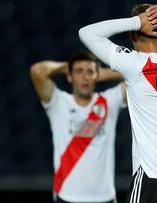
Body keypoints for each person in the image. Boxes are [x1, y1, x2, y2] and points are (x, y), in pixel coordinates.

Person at [79, 3, 157, 203]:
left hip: (152, 180)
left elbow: (87, 33)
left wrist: (137, 22)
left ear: (132, 35)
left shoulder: (134, 64)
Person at [30, 51, 126, 203]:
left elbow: (140, 75)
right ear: (70, 76)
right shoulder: (59, 103)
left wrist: (104, 73)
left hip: (104, 198)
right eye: (79, 71)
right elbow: (38, 71)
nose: (85, 77)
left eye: (90, 72)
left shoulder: (110, 101)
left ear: (97, 76)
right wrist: (69, 67)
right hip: (67, 197)